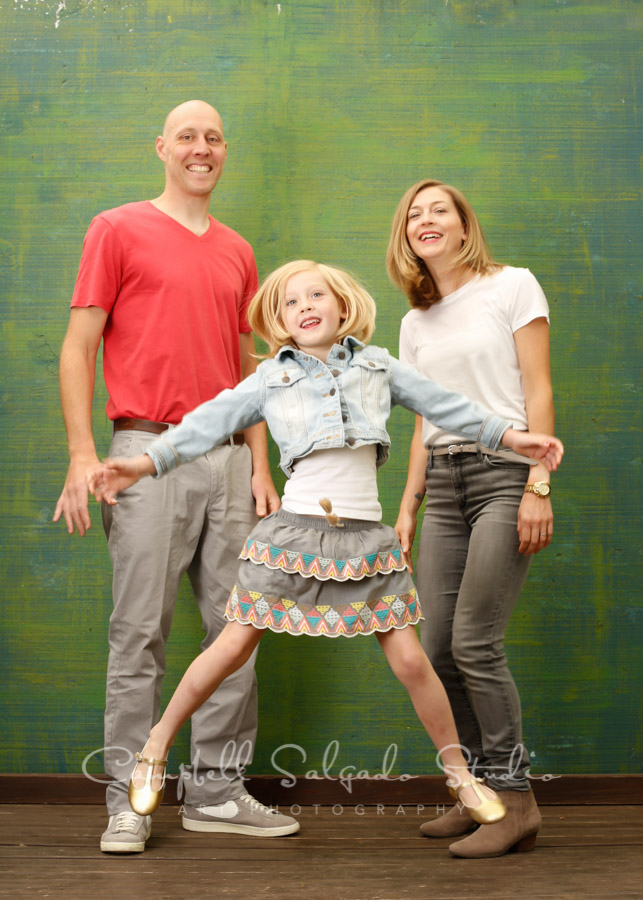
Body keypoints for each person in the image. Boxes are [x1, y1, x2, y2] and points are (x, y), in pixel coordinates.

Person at [88, 259, 563, 843]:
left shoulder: (378, 365)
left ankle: (461, 775)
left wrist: (513, 438)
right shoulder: (269, 379)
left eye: (317, 295)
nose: (305, 306)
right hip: (293, 537)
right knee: (232, 646)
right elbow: (201, 426)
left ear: (343, 307)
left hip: (365, 542)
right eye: (291, 302)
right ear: (279, 320)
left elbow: (448, 407)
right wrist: (139, 463)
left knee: (413, 662)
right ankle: (155, 746)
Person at [53, 100, 298, 853]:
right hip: (145, 455)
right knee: (139, 635)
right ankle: (131, 799)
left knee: (236, 631)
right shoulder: (116, 228)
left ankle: (217, 792)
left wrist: (260, 463)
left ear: (224, 152)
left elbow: (247, 369)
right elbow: (78, 345)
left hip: (228, 460)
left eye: (213, 138)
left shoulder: (237, 250)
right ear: (162, 147)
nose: (201, 148)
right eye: (187, 136)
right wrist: (81, 453)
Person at [388, 179, 558, 858]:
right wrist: (407, 503)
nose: (425, 221)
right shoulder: (413, 322)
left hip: (504, 473)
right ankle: (475, 795)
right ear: (406, 236)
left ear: (463, 227)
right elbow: (423, 422)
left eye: (439, 211)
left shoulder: (512, 285)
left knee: (475, 644)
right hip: (445, 484)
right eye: (413, 215)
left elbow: (538, 385)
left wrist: (538, 485)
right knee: (434, 650)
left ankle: (515, 805)